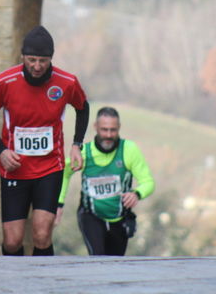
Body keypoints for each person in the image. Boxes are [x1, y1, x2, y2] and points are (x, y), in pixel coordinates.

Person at [0, 25, 90, 256]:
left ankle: (42, 284)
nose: (37, 66)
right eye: (31, 60)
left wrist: (76, 145)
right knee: (12, 241)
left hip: (50, 167)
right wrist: (1, 150)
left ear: (51, 59)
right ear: (22, 57)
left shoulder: (66, 82)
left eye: (43, 60)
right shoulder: (5, 81)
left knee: (41, 235)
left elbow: (83, 108)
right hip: (15, 167)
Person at [56, 106, 154, 256]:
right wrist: (59, 202)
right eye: (104, 129)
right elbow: (64, 172)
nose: (108, 135)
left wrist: (137, 194)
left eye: (113, 130)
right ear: (96, 127)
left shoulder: (129, 150)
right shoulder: (85, 152)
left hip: (120, 218)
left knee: (115, 262)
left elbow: (148, 182)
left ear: (119, 128)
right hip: (91, 215)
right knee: (98, 257)